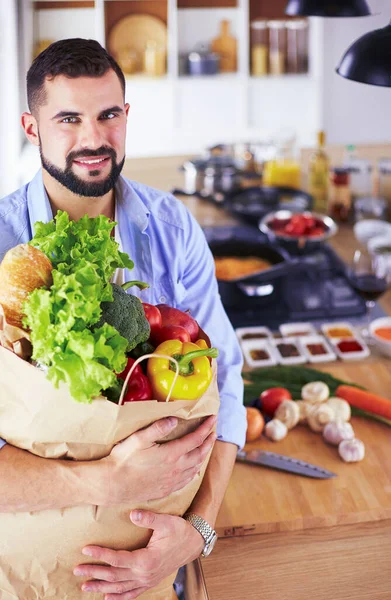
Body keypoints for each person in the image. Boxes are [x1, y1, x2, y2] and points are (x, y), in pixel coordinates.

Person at [0, 38, 246, 598]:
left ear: (126, 116)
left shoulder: (172, 226)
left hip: (160, 572)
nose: (94, 139)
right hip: (34, 575)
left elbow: (225, 376)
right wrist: (104, 482)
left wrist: (194, 532)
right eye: (68, 119)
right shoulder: (2, 247)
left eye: (109, 114)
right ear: (31, 128)